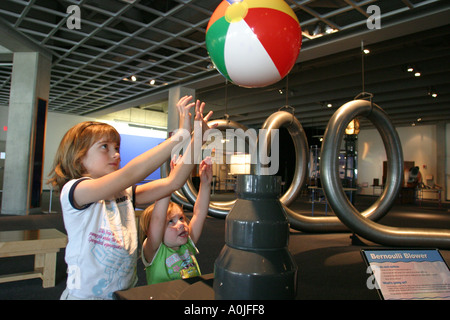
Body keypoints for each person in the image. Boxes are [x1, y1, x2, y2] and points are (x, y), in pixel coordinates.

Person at [47, 96, 213, 299]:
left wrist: (197, 140)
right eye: (104, 147)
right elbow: (129, 174)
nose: (116, 154)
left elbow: (172, 182)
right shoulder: (75, 190)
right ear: (78, 157)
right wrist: (179, 136)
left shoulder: (124, 194)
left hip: (124, 292)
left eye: (116, 148)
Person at [139, 156, 212, 285]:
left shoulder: (187, 244)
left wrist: (205, 184)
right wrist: (171, 182)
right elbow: (158, 219)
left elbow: (199, 213)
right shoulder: (155, 251)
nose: (181, 225)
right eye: (170, 222)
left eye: (181, 218)